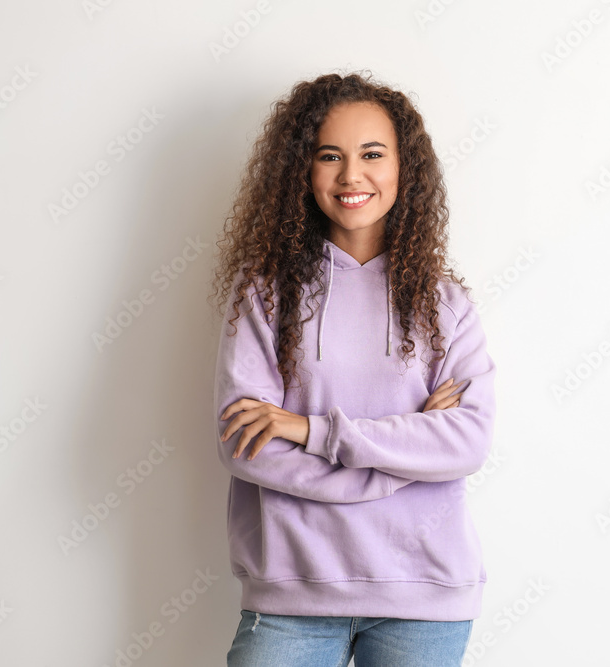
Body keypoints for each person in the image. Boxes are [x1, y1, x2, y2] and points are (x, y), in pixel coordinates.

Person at [209, 70, 497, 666]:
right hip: (291, 599)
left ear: (403, 168)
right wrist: (408, 459)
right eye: (329, 156)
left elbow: (467, 442)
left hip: (424, 596)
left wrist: (309, 430)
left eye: (372, 154)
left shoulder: (445, 305)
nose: (351, 176)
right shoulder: (264, 296)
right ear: (302, 172)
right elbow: (246, 444)